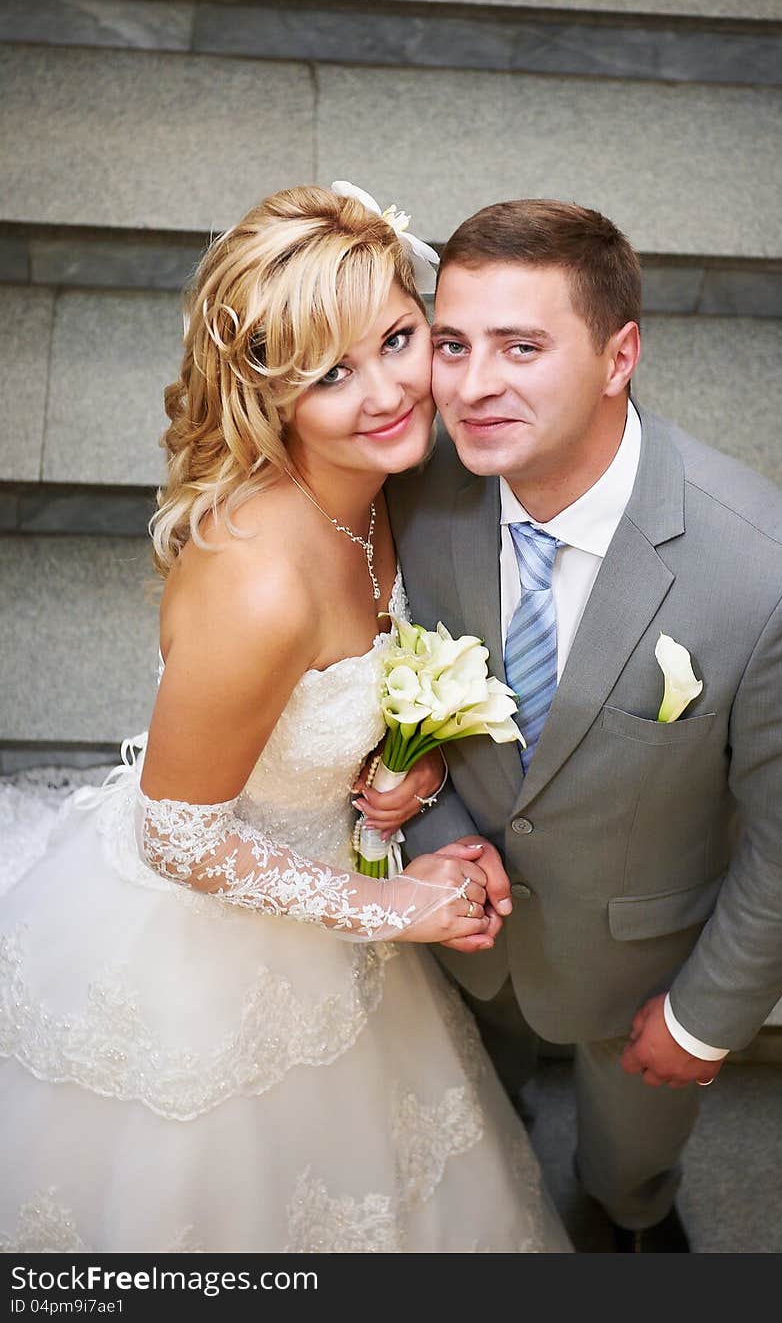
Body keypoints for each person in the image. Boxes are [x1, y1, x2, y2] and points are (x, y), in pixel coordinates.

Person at [0, 185, 571, 1254]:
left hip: (330, 881)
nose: (392, 390)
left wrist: (408, 776)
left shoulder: (392, 490)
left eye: (399, 339)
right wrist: (391, 905)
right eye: (330, 372)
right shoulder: (258, 578)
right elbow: (176, 833)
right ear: (270, 395)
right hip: (202, 954)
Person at [388, 198, 782, 1252]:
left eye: (522, 346)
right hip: (454, 938)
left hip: (641, 963)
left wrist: (702, 1016)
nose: (471, 387)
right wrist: (429, 842)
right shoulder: (413, 498)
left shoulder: (775, 577)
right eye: (454, 344)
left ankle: (626, 1210)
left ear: (619, 356)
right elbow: (381, 679)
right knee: (464, 1109)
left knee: (629, 1161)